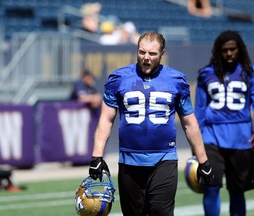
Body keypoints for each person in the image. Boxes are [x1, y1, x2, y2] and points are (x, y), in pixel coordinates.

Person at [88, 32, 213, 216]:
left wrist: (203, 160)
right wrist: (96, 157)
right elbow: (106, 119)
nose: (146, 58)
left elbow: (189, 122)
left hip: (164, 158)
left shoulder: (176, 80)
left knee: (161, 213)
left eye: (152, 54)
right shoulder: (119, 78)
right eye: (142, 52)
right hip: (129, 160)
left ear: (162, 54)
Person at [195, 30, 254, 216]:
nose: (229, 53)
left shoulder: (249, 73)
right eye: (224, 50)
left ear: (240, 50)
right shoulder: (206, 74)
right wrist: (196, 143)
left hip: (241, 138)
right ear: (218, 51)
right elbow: (199, 110)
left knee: (237, 189)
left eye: (233, 49)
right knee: (210, 186)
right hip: (211, 137)